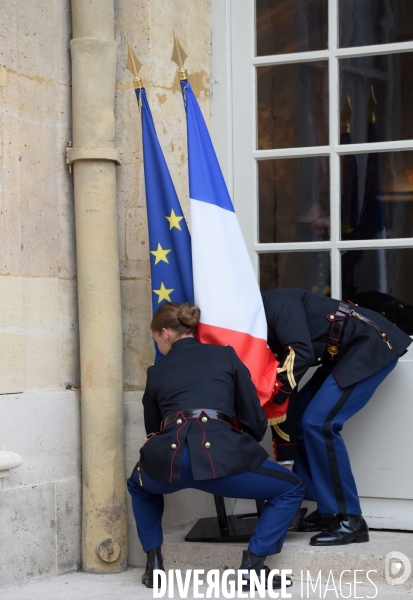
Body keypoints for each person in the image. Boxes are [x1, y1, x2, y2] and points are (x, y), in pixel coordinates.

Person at [127, 301, 304, 590]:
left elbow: (153, 428)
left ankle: (154, 565)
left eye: (155, 339)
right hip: (221, 465)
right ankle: (253, 565)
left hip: (168, 467)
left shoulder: (156, 371)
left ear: (165, 333)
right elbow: (254, 420)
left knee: (137, 484)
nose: (157, 344)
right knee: (292, 486)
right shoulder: (225, 356)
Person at [263, 288, 412, 546]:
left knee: (319, 423)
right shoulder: (254, 328)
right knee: (301, 421)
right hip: (340, 354)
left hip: (370, 344)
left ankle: (352, 519)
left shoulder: (275, 303)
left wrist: (268, 400)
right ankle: (328, 510)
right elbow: (289, 386)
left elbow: (301, 355)